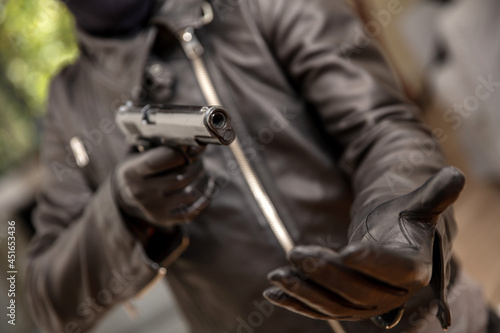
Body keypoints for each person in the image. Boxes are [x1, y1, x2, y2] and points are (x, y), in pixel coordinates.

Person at [25, 0, 490, 332]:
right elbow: (38, 304)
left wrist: (395, 223)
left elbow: (380, 127)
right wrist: (121, 215)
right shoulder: (67, 108)